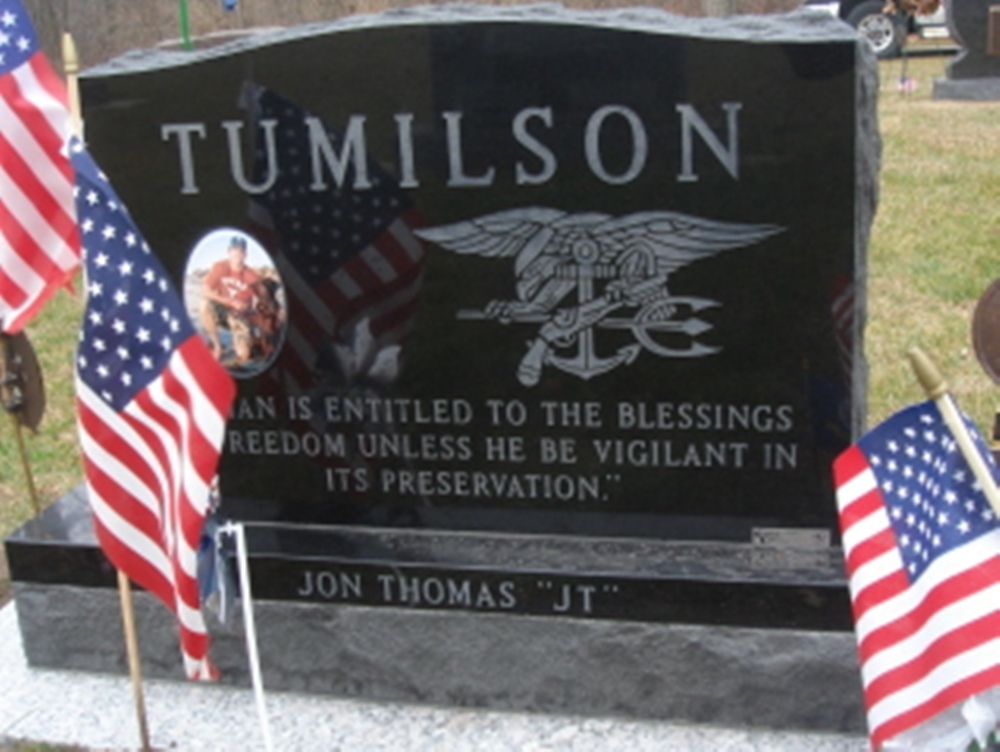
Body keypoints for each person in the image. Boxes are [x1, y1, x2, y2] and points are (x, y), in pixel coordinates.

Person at [199, 235, 264, 365]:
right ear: (229, 251)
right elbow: (204, 291)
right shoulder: (220, 267)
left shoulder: (251, 275)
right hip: (223, 310)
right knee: (203, 305)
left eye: (241, 250)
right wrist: (230, 301)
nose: (237, 253)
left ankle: (245, 344)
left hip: (241, 316)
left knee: (243, 355)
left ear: (245, 254)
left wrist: (251, 311)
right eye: (234, 250)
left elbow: (262, 300)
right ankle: (217, 346)